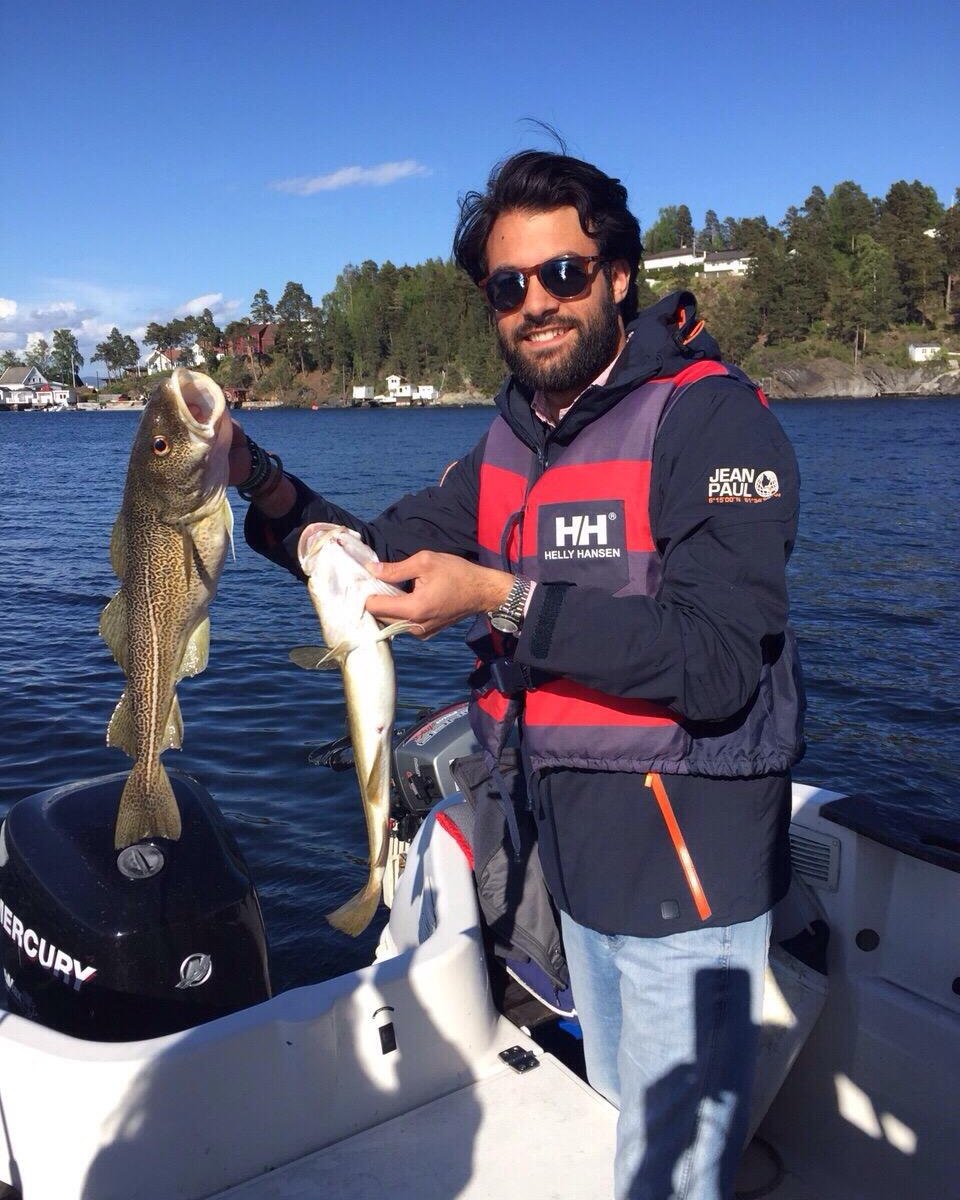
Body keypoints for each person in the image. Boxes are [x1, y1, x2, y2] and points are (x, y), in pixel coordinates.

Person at [230, 150, 804, 1200]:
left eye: (564, 275)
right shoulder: (511, 440)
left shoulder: (713, 419)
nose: (536, 304)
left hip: (692, 869)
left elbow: (719, 661)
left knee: (674, 1169)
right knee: (631, 1111)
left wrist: (500, 599)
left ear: (619, 275)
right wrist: (255, 480)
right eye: (509, 286)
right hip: (571, 856)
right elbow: (374, 548)